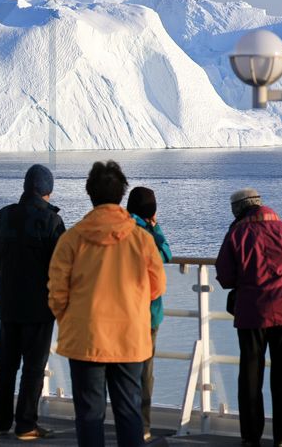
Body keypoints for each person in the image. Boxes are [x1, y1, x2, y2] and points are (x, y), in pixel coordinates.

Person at [48, 161, 166, 447]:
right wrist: (134, 310)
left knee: (89, 414)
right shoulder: (141, 239)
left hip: (86, 338)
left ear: (90, 193)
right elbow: (157, 286)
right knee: (129, 411)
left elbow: (56, 291)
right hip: (130, 339)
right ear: (121, 194)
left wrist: (71, 319)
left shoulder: (71, 239)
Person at [215, 188, 282, 447]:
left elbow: (225, 277)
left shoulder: (236, 234)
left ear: (238, 209)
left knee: (251, 374)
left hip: (252, 313)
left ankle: (251, 437)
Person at [0, 164, 66, 441]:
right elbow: (61, 265)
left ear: (25, 186)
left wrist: (9, 276)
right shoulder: (52, 222)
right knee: (33, 367)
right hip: (39, 307)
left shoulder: (3, 216)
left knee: (6, 364)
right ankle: (26, 424)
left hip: (8, 303)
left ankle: (1, 421)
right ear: (48, 190)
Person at [125, 186, 171, 442]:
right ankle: (142, 426)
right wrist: (157, 227)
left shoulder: (119, 228)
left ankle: (124, 421)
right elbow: (165, 254)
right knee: (145, 371)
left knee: (122, 370)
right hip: (147, 313)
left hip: (121, 311)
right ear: (151, 210)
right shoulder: (147, 234)